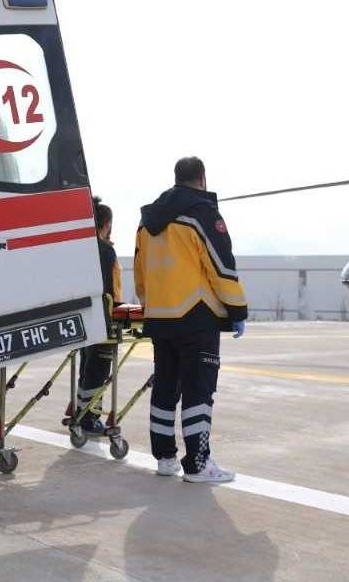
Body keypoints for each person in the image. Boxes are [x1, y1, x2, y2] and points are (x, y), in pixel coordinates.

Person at [134, 156, 248, 483]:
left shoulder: (147, 221)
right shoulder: (202, 214)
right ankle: (198, 464)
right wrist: (237, 311)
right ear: (203, 179)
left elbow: (141, 275)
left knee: (166, 386)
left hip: (160, 317)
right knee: (199, 389)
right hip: (196, 318)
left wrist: (151, 306)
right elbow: (221, 267)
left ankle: (165, 458)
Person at [76, 196, 122, 434]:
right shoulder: (106, 251)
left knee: (86, 366)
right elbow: (112, 289)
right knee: (99, 369)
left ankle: (80, 410)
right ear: (106, 224)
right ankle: (89, 418)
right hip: (103, 318)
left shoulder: (80, 248)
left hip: (82, 318)